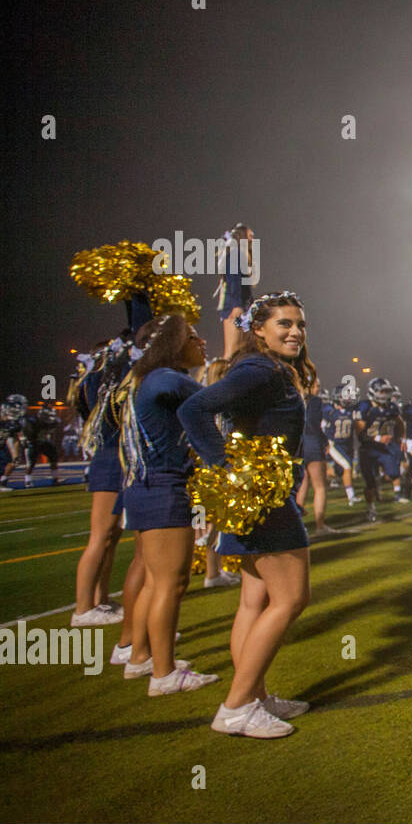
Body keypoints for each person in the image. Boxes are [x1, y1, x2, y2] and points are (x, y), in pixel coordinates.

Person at [179, 290, 315, 739]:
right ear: (259, 330)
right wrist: (226, 466)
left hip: (257, 494)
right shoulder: (260, 367)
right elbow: (194, 408)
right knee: (292, 598)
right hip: (262, 497)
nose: (295, 331)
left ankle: (253, 695)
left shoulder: (267, 366)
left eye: (300, 324)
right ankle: (236, 706)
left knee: (253, 602)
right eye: (284, 324)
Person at [118, 313, 221, 694]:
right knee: (170, 582)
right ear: (175, 344)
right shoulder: (164, 378)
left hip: (150, 486)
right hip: (163, 486)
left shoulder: (152, 378)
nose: (202, 343)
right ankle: (163, 674)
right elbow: (210, 401)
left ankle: (141, 658)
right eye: (193, 336)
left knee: (153, 581)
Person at [70, 339, 132, 627]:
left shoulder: (97, 381)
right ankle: (83, 608)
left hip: (115, 459)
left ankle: (101, 598)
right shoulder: (99, 382)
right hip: (109, 461)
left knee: (111, 538)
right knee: (100, 536)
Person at [353, 377, 405, 521]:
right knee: (369, 483)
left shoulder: (391, 407)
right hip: (367, 449)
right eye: (381, 391)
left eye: (387, 391)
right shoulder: (363, 407)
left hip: (383, 449)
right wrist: (378, 438)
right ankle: (371, 508)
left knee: (394, 474)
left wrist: (401, 438)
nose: (384, 395)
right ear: (372, 392)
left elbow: (400, 423)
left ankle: (378, 481)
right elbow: (360, 434)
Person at [214, 224, 257, 360]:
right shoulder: (235, 254)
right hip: (235, 310)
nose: (252, 239)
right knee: (232, 350)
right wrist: (236, 306)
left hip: (241, 310)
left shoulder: (240, 255)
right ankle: (224, 377)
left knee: (241, 349)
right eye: (250, 236)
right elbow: (234, 281)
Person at [295, 377, 332, 531]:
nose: (318, 389)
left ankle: (296, 527)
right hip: (312, 443)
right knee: (320, 487)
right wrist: (324, 441)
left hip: (297, 444)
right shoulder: (316, 401)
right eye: (316, 386)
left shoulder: (292, 397)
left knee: (301, 487)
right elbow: (314, 425)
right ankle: (320, 525)